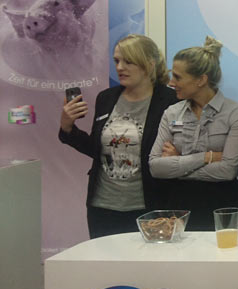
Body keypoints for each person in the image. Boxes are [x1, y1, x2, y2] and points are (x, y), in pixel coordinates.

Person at [59, 34, 178, 238]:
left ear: (149, 64)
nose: (120, 67)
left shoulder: (171, 100)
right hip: (102, 208)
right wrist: (67, 127)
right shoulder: (106, 98)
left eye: (128, 61)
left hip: (151, 207)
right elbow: (97, 150)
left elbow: (185, 146)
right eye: (116, 61)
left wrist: (178, 155)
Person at [149, 36, 238, 231]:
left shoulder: (236, 113)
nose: (171, 82)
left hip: (224, 206)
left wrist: (178, 164)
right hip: (179, 205)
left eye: (178, 77)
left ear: (201, 80)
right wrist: (207, 157)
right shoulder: (171, 113)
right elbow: (155, 167)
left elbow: (228, 170)